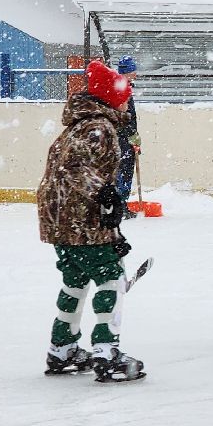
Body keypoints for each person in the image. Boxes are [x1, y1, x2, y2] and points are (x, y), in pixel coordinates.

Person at [37, 59, 145, 382]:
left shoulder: (79, 125)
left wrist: (110, 220)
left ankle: (63, 347)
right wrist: (106, 196)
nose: (128, 99)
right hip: (79, 221)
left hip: (61, 223)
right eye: (124, 94)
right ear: (111, 98)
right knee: (111, 277)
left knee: (75, 280)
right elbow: (74, 169)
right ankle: (106, 350)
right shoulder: (99, 128)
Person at [114, 55, 141, 211]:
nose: (135, 74)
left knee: (124, 170)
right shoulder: (121, 88)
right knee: (123, 171)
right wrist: (131, 135)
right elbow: (124, 116)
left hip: (125, 137)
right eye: (133, 71)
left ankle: (121, 203)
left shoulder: (124, 87)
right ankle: (119, 205)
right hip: (122, 139)